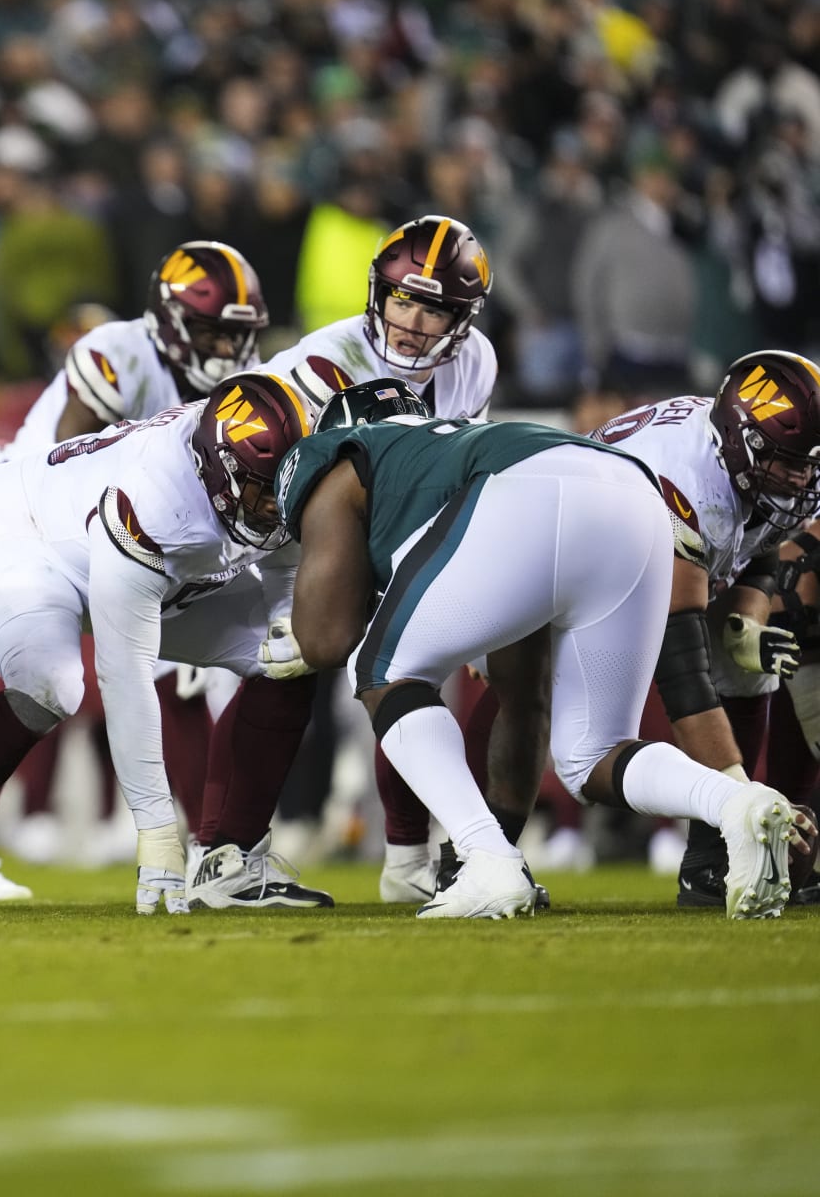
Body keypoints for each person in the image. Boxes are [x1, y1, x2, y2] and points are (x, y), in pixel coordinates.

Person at [276, 411, 803, 919]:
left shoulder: (338, 460)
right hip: (639, 497)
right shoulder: (440, 450)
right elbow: (522, 696)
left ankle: (485, 857)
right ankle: (736, 803)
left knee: (382, 669)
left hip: (521, 495)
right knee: (593, 753)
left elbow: (326, 642)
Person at [0, 242, 305, 903]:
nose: (224, 349)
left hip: (152, 528)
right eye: (210, 330)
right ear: (167, 320)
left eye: (236, 334)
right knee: (35, 681)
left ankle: (208, 849)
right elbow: (67, 462)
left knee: (188, 680)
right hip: (40, 515)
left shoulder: (240, 379)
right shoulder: (120, 352)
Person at [0, 372, 313, 914]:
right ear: (220, 469)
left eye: (283, 488)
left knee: (294, 652)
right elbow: (125, 672)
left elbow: (287, 581)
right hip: (23, 534)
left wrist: (285, 621)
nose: (274, 507)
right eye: (260, 489)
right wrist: (158, 835)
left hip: (139, 560)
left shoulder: (271, 471)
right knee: (53, 686)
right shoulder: (155, 497)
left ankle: (230, 860)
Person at [452, 351, 820, 905]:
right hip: (546, 551)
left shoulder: (740, 454)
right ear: (742, 441)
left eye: (808, 463)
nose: (800, 478)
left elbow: (760, 540)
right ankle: (474, 855)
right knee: (537, 705)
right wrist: (745, 802)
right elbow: (682, 673)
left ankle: (711, 863)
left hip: (607, 545)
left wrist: (745, 618)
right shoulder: (687, 480)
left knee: (742, 667)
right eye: (787, 461)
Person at [251, 213, 497, 904]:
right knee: (284, 676)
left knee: (408, 677)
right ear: (376, 293)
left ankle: (409, 859)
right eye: (404, 299)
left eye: (437, 308)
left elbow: (446, 476)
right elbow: (267, 484)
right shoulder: (320, 365)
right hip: (279, 540)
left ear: (465, 318)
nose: (415, 320)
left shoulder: (475, 361)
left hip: (389, 531)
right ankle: (232, 844)